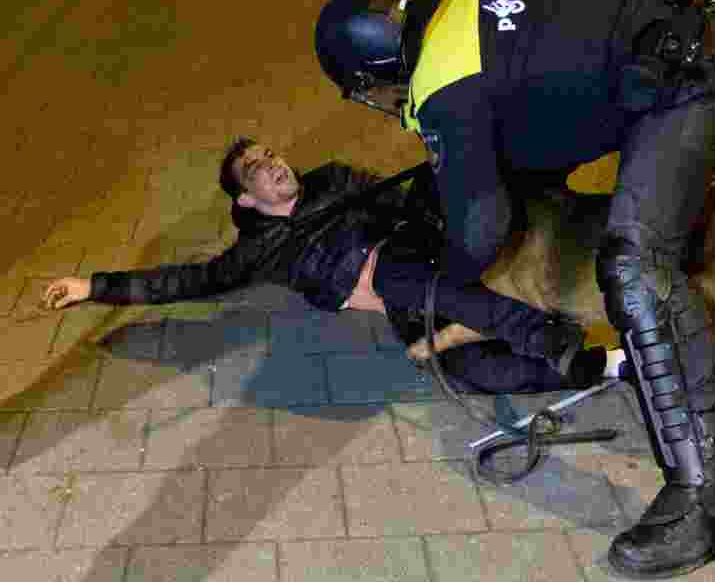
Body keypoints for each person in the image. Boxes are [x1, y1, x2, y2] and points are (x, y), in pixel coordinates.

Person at [315, 0, 715, 579]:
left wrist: (449, 284)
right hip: (669, 55)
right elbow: (533, 105)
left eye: (369, 91)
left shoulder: (443, 84)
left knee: (633, 269)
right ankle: (710, 470)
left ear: (374, 73)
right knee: (616, 247)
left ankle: (709, 500)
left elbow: (482, 225)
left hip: (681, 92)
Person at [42, 136, 620, 395]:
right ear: (246, 199)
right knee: (471, 375)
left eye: (270, 154)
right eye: (255, 169)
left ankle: (541, 334)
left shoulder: (336, 181)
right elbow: (188, 280)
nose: (273, 165)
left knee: (395, 273)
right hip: (403, 302)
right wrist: (93, 285)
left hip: (413, 257)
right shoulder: (259, 250)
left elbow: (413, 205)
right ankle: (607, 365)